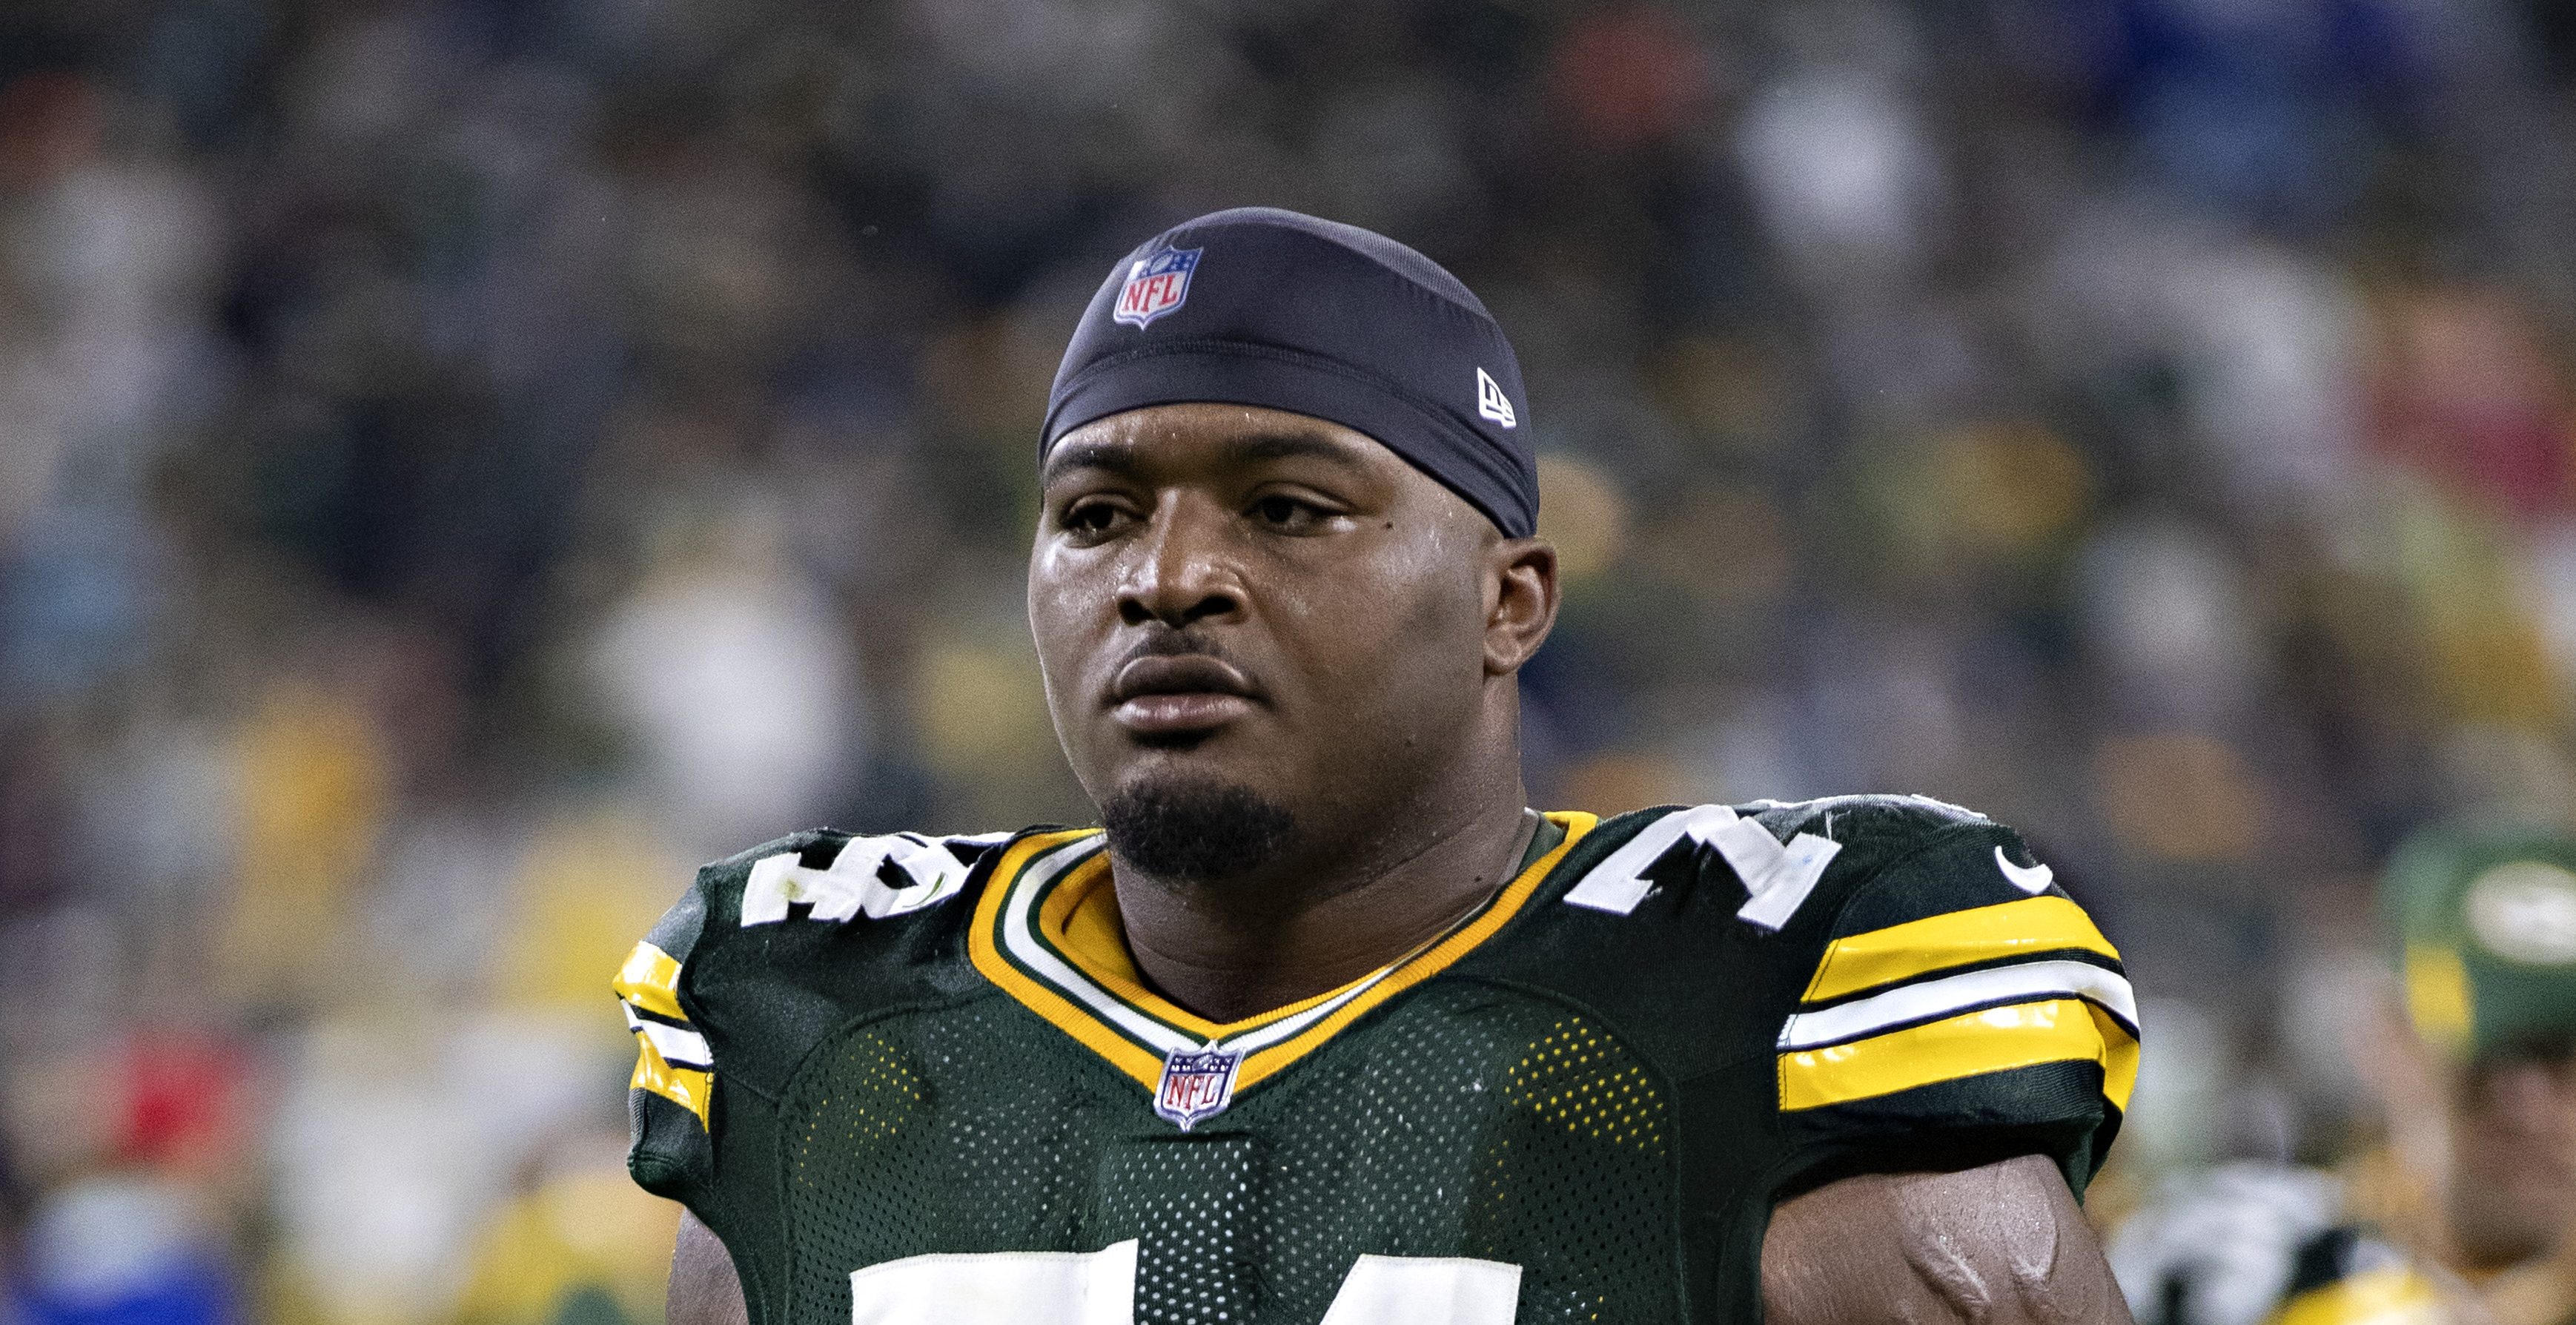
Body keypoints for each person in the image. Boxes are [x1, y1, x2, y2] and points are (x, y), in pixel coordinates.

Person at [615, 207, 2140, 1325]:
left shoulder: (1767, 989)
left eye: (1284, 507)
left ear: (1508, 598)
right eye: (1096, 515)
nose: (1167, 576)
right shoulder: (819, 1032)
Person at [2108, 825, 2576, 1325]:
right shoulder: (2230, 1262)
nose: (2531, 1108)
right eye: (2489, 1061)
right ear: (2385, 1038)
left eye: (2565, 1057)